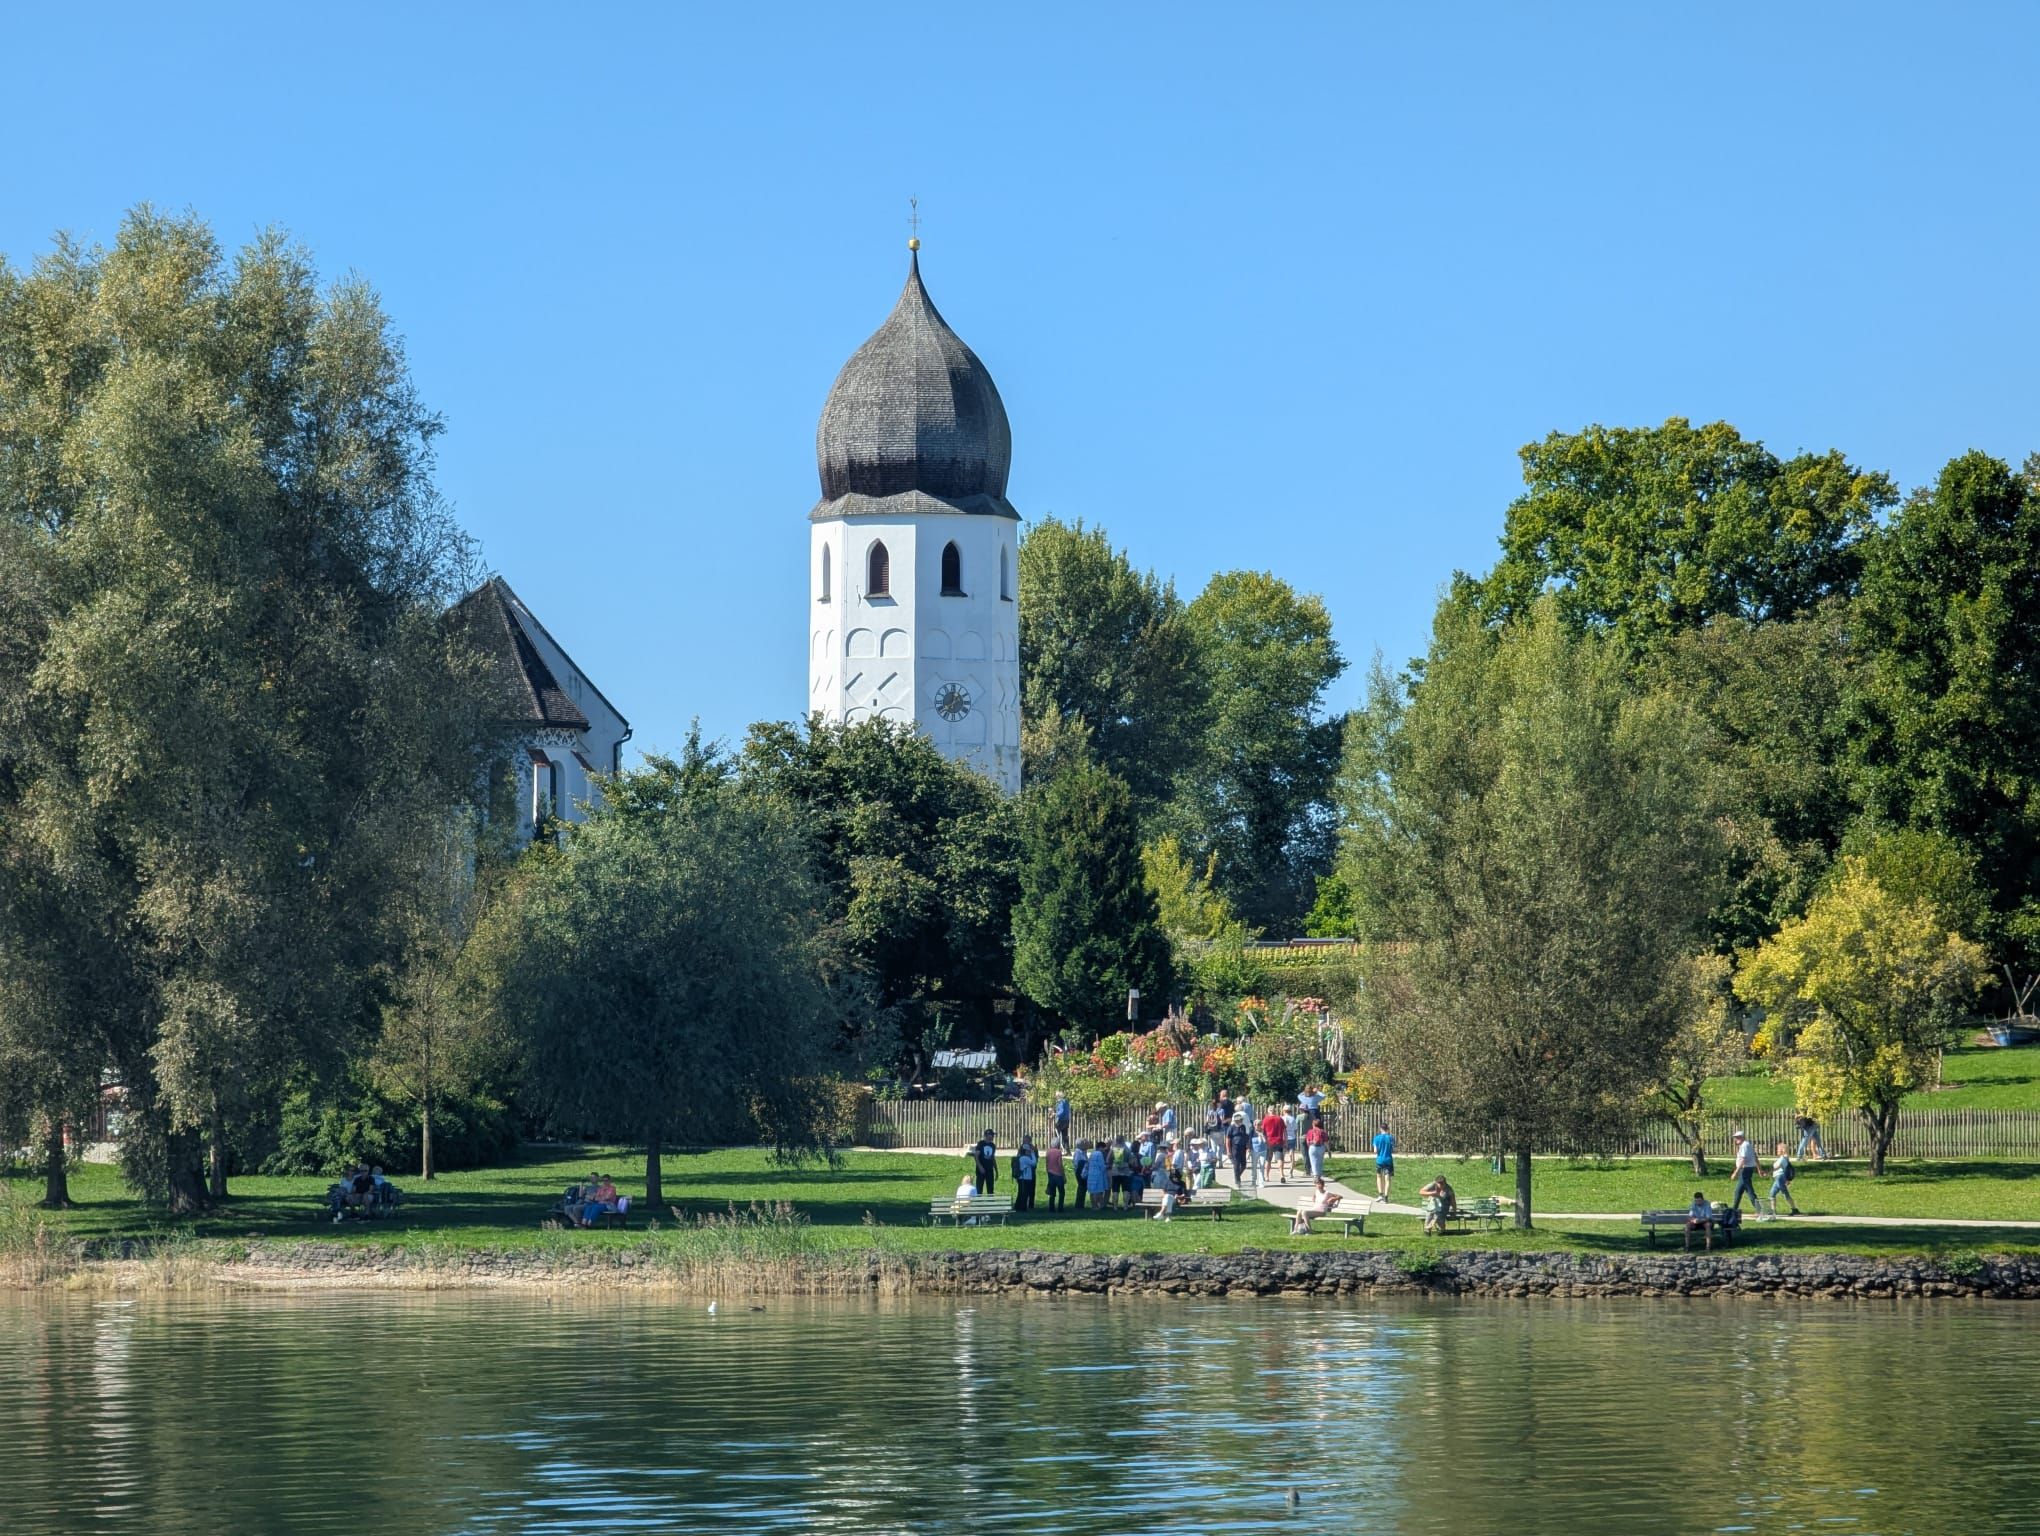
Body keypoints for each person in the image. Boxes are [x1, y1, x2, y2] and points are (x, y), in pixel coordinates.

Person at [1767, 1141, 1801, 1218]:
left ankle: (1794, 1210)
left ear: (1782, 1150)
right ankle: (1773, 1211)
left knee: (1784, 1194)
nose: (1777, 1150)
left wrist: (1767, 1172)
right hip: (1778, 1178)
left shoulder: (1783, 1158)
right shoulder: (1782, 1158)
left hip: (1780, 1178)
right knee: (1772, 1194)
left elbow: (1777, 1167)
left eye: (1778, 1149)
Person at [1728, 1130, 1758, 1212]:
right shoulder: (1747, 1145)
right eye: (1735, 1138)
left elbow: (1743, 1160)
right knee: (1739, 1191)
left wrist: (1735, 1172)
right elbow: (1755, 1157)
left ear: (1742, 1137)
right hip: (1747, 1170)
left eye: (1737, 1138)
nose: (1736, 1139)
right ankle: (1734, 1209)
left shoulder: (1744, 1146)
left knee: (1749, 1191)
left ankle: (1759, 1209)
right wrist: (1759, 1169)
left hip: (1745, 1170)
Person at [1260, 1107, 1287, 1184]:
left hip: (1269, 1142)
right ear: (1275, 1111)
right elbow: (1284, 1131)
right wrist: (1285, 1141)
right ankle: (1282, 1175)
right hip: (1279, 1141)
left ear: (1269, 1111)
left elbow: (1263, 1131)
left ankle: (1267, 1176)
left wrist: (1263, 1140)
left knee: (1268, 1160)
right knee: (1280, 1159)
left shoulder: (1265, 1120)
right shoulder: (1280, 1119)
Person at [1012, 1136, 1039, 1213]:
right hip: (1025, 1177)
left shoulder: (1021, 1157)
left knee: (1021, 1192)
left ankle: (1018, 1206)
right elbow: (1034, 1163)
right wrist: (1032, 1153)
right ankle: (1023, 1207)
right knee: (1024, 1193)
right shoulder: (1025, 1158)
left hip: (1022, 1177)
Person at [1226, 1113, 1252, 1188]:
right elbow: (1227, 1139)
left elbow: (1245, 1136)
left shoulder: (1243, 1127)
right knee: (1236, 1165)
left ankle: (1237, 1175)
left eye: (1241, 1120)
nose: (1240, 1121)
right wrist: (1228, 1151)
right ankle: (1238, 1181)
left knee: (1244, 1165)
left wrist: (1248, 1146)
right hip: (1235, 1148)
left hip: (1243, 1148)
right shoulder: (1231, 1128)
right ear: (1235, 1121)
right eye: (1239, 1120)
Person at [1371, 1124, 1396, 1199]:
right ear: (1387, 1129)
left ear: (1380, 1129)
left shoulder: (1376, 1138)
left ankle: (1380, 1194)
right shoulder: (1391, 1138)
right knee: (1387, 1179)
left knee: (1379, 1177)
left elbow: (1375, 1151)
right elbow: (1393, 1149)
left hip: (1379, 1160)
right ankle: (1386, 1197)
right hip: (1388, 1160)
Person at [1085, 1140, 1110, 1211]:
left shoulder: (1092, 1153)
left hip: (1091, 1175)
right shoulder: (1099, 1154)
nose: (1104, 1150)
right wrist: (1108, 1166)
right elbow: (1102, 1166)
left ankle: (1093, 1206)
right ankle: (1098, 1205)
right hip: (1098, 1176)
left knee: (1092, 1192)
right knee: (1098, 1192)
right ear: (1100, 1147)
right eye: (1104, 1148)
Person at [1044, 1139, 1067, 1214]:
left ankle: (1051, 1208)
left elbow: (1047, 1163)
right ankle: (1060, 1207)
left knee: (1052, 1192)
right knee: (1061, 1192)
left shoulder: (1048, 1152)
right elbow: (1060, 1164)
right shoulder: (1058, 1152)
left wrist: (1048, 1172)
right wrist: (1063, 1174)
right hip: (1058, 1174)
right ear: (1058, 1144)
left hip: (1050, 1173)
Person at [1303, 1118, 1330, 1182]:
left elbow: (1308, 1142)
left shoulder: (1310, 1131)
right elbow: (1326, 1142)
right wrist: (1329, 1150)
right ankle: (1319, 1176)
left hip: (1312, 1147)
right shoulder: (1323, 1132)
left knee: (1313, 1162)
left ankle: (1315, 1176)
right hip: (1321, 1147)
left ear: (1313, 1124)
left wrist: (1310, 1146)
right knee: (1320, 1162)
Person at [974, 1130, 998, 1196]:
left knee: (990, 1189)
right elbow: (976, 1156)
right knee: (979, 1189)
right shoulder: (981, 1144)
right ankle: (979, 1201)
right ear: (987, 1135)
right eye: (991, 1135)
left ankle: (990, 1201)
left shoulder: (993, 1145)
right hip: (981, 1170)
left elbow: (992, 1158)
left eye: (993, 1135)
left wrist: (996, 1170)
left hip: (989, 1170)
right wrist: (980, 1167)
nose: (993, 1136)